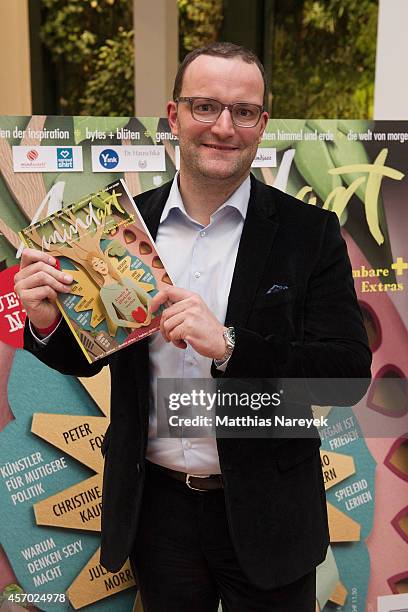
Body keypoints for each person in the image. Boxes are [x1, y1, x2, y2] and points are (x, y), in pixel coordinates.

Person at [15, 42, 371, 611]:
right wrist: (47, 326)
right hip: (158, 514)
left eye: (243, 111)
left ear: (262, 125)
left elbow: (346, 376)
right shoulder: (122, 228)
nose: (223, 126)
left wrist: (231, 346)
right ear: (173, 116)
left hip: (269, 513)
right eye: (205, 106)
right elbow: (92, 353)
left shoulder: (310, 233)